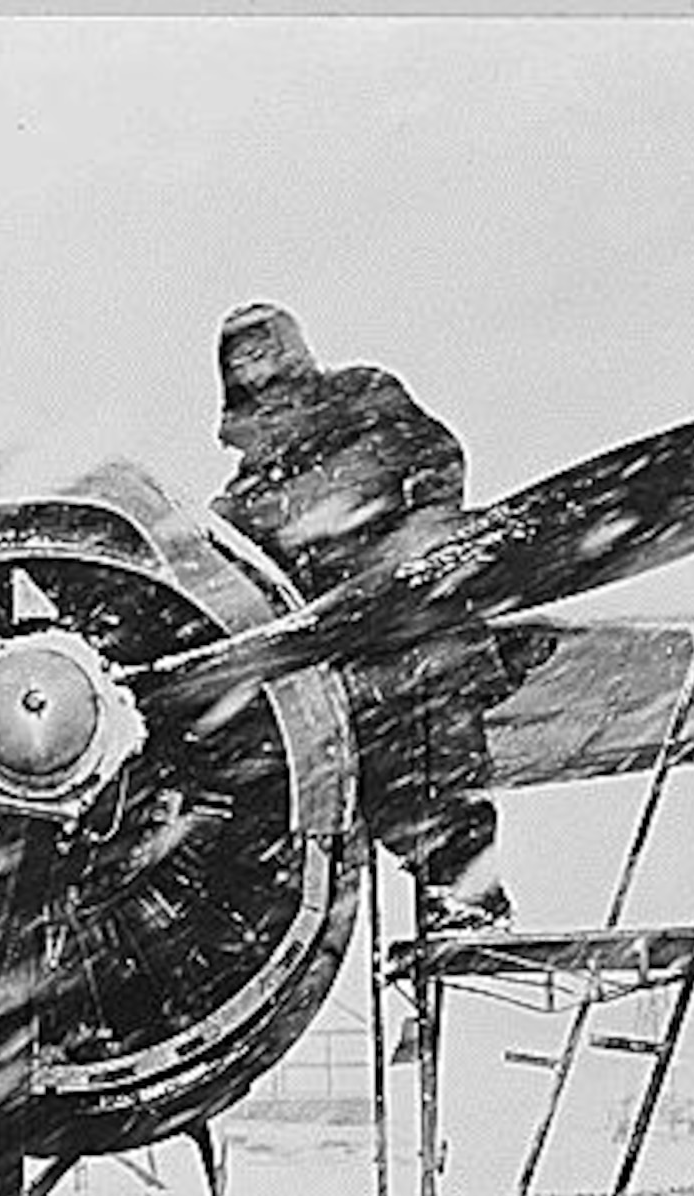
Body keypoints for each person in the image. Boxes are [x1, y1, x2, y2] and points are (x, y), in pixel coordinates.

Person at [210, 302, 513, 933]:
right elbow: (230, 573)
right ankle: (458, 891)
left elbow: (437, 455)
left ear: (291, 346)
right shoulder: (242, 498)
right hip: (342, 661)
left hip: (410, 629)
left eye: (262, 346)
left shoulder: (364, 396)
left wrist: (425, 531)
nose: (253, 363)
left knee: (437, 762)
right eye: (239, 355)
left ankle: (469, 893)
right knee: (383, 778)